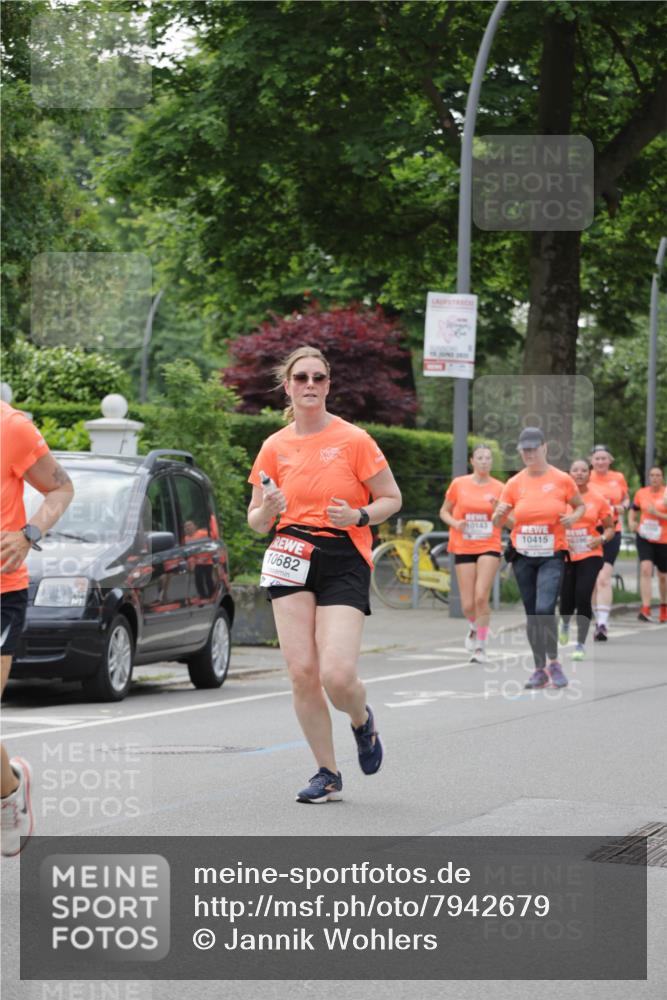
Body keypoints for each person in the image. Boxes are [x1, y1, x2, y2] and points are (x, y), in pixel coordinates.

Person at [247, 346, 402, 803]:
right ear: (288, 386)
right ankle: (327, 774)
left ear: (329, 385)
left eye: (318, 377)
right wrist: (267, 510)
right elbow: (255, 520)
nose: (309, 385)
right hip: (290, 552)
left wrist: (357, 515)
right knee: (302, 672)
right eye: (301, 378)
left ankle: (362, 721)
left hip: (342, 556)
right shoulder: (274, 446)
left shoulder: (355, 440)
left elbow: (391, 498)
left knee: (336, 674)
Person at [1, 401, 74, 856]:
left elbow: (61, 488)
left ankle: (7, 794)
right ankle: (10, 783)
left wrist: (29, 534)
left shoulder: (11, 427)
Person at [493, 427, 585, 689]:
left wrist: (574, 517)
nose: (529, 454)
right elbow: (500, 522)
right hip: (522, 556)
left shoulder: (562, 479)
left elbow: (580, 505)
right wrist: (498, 513)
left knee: (545, 609)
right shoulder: (514, 483)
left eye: (533, 448)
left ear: (545, 447)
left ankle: (554, 662)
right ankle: (539, 669)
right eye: (524, 450)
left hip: (551, 555)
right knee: (532, 613)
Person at [439, 444, 503, 663]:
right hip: (463, 544)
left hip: (489, 545)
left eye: (488, 458)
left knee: (480, 596)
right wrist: (456, 523)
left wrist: (498, 511)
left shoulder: (499, 488)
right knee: (467, 604)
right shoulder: (459, 484)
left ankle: (481, 647)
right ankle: (473, 628)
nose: (485, 461)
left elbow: (508, 521)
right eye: (480, 457)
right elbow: (443, 511)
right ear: (472, 461)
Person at [559, 459, 615, 659]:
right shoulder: (560, 497)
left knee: (583, 595)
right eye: (576, 470)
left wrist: (600, 538)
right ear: (569, 473)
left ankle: (580, 644)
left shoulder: (598, 499)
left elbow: (610, 528)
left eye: (584, 470)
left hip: (590, 554)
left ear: (589, 474)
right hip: (565, 553)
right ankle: (564, 623)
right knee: (566, 599)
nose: (580, 474)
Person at [589, 445, 630, 641]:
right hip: (589, 531)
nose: (600, 462)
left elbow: (626, 499)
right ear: (591, 461)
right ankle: (598, 619)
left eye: (604, 458)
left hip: (612, 530)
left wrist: (623, 506)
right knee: (593, 580)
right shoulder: (584, 478)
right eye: (597, 458)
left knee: (604, 577)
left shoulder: (618, 478)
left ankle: (603, 624)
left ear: (610, 460)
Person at [628, 466, 667, 623]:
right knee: (645, 569)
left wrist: (656, 512)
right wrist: (631, 521)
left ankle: (664, 606)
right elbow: (634, 509)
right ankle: (645, 608)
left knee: (663, 576)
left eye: (658, 475)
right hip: (644, 536)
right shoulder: (641, 493)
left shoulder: (666, 493)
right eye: (652, 475)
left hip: (663, 539)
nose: (655, 478)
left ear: (662, 477)